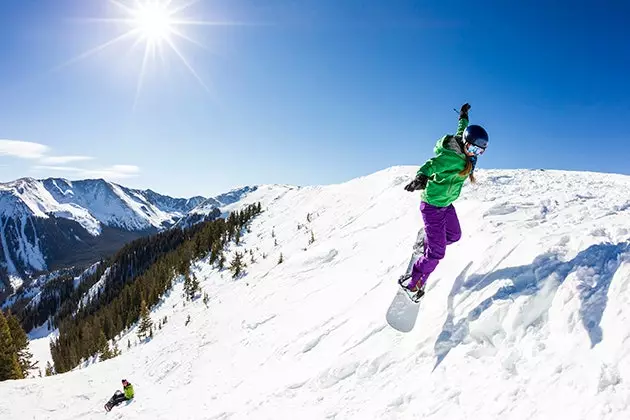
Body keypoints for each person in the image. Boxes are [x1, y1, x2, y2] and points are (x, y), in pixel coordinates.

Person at [401, 103, 489, 299]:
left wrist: (464, 115)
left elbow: (462, 129)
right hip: (432, 206)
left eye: (480, 151)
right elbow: (430, 165)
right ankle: (412, 283)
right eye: (474, 148)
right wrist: (421, 178)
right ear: (466, 143)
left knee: (455, 235)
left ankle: (428, 241)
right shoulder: (452, 157)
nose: (475, 154)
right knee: (437, 254)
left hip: (446, 205)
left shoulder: (466, 152)